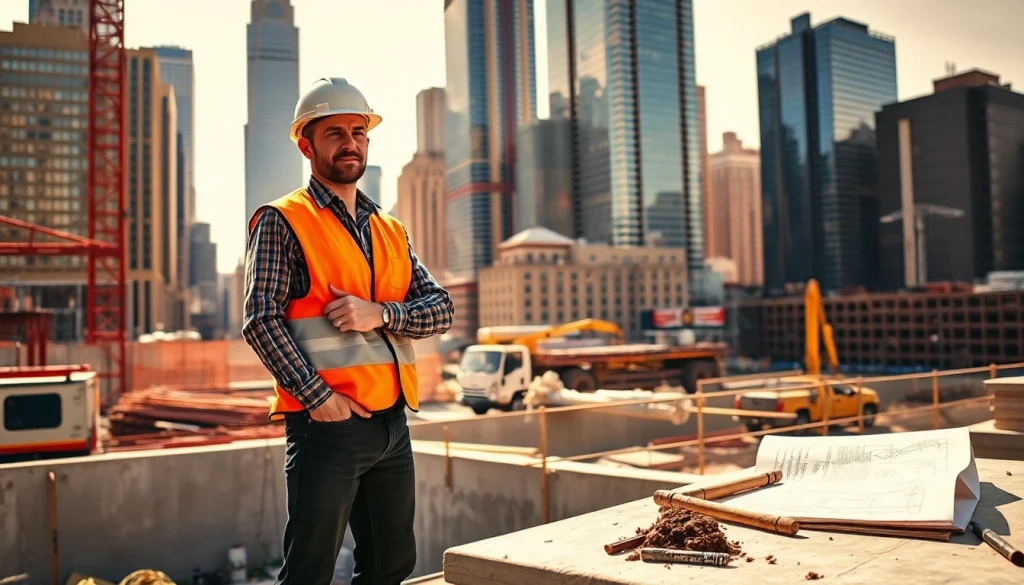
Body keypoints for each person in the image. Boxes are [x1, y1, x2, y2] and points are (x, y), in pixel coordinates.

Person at [242, 77, 454, 585]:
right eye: (334, 133)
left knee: (390, 565)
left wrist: (381, 313)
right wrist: (319, 399)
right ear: (306, 145)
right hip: (327, 427)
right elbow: (260, 319)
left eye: (358, 132)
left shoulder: (390, 228)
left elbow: (441, 309)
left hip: (392, 425)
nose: (350, 142)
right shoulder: (283, 220)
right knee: (309, 573)